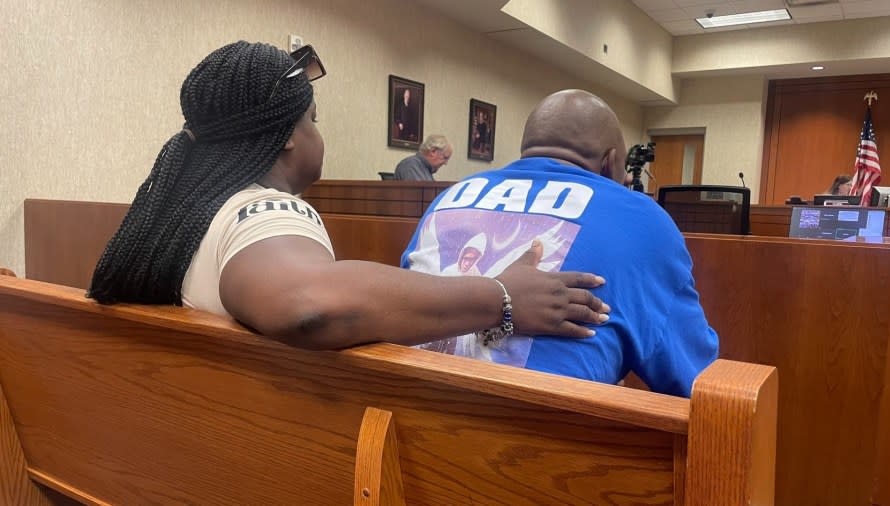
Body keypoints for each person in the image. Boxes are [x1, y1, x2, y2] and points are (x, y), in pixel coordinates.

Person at [87, 42, 609, 351]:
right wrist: (501, 297)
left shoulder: (177, 215)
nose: (318, 135)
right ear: (288, 135)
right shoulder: (262, 212)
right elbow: (309, 304)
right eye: (313, 121)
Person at [402, 89, 719, 397]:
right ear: (610, 163)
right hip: (537, 441)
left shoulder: (449, 198)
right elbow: (697, 383)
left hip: (398, 425)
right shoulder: (643, 219)